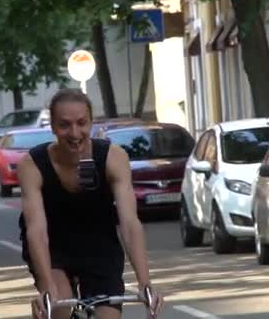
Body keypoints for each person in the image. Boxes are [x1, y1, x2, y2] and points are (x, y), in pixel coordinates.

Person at [18, 89, 163, 319]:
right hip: (54, 246)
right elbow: (36, 230)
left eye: (81, 123)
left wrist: (145, 283)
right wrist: (46, 288)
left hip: (99, 244)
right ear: (53, 127)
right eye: (64, 125)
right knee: (60, 305)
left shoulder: (113, 158)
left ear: (91, 123)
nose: (74, 133)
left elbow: (129, 223)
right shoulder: (32, 165)